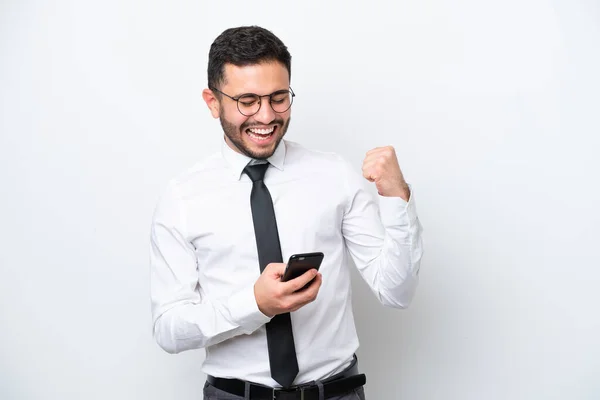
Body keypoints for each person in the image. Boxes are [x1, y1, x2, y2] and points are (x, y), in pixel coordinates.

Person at [150, 25, 423, 400]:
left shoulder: (334, 176)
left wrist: (396, 197)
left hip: (337, 392)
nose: (266, 116)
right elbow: (168, 329)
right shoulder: (183, 198)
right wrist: (254, 304)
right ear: (213, 102)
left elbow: (397, 291)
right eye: (247, 100)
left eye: (279, 97)